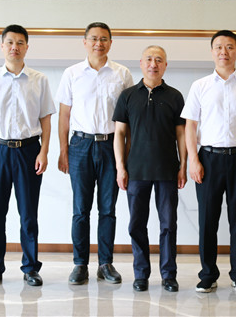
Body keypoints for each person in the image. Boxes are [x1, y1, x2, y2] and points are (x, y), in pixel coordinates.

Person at [181, 30, 236, 293]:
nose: (224, 52)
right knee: (208, 220)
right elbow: (190, 126)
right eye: (218, 47)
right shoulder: (200, 86)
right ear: (212, 52)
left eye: (229, 47)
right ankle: (208, 274)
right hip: (208, 159)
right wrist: (193, 160)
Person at [0, 24, 56, 288]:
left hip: (28, 150)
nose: (14, 47)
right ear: (2, 46)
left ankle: (30, 268)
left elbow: (46, 119)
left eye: (20, 42)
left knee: (28, 214)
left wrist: (44, 151)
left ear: (27, 47)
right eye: (10, 42)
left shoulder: (39, 80)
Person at [57, 22, 133, 285]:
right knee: (81, 209)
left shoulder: (122, 74)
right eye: (93, 38)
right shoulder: (72, 74)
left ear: (110, 43)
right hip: (80, 145)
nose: (98, 43)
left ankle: (105, 263)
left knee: (108, 209)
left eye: (103, 39)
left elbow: (128, 119)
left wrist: (126, 155)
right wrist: (63, 150)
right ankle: (80, 264)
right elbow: (64, 115)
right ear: (85, 42)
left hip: (111, 145)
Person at [113, 45, 187, 293]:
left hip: (167, 170)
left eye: (159, 60)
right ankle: (141, 274)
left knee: (168, 224)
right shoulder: (127, 96)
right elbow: (119, 133)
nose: (153, 64)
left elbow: (181, 134)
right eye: (149, 59)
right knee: (136, 224)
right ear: (141, 63)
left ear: (165, 65)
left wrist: (183, 166)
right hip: (136, 171)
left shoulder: (175, 96)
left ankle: (168, 275)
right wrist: (120, 167)